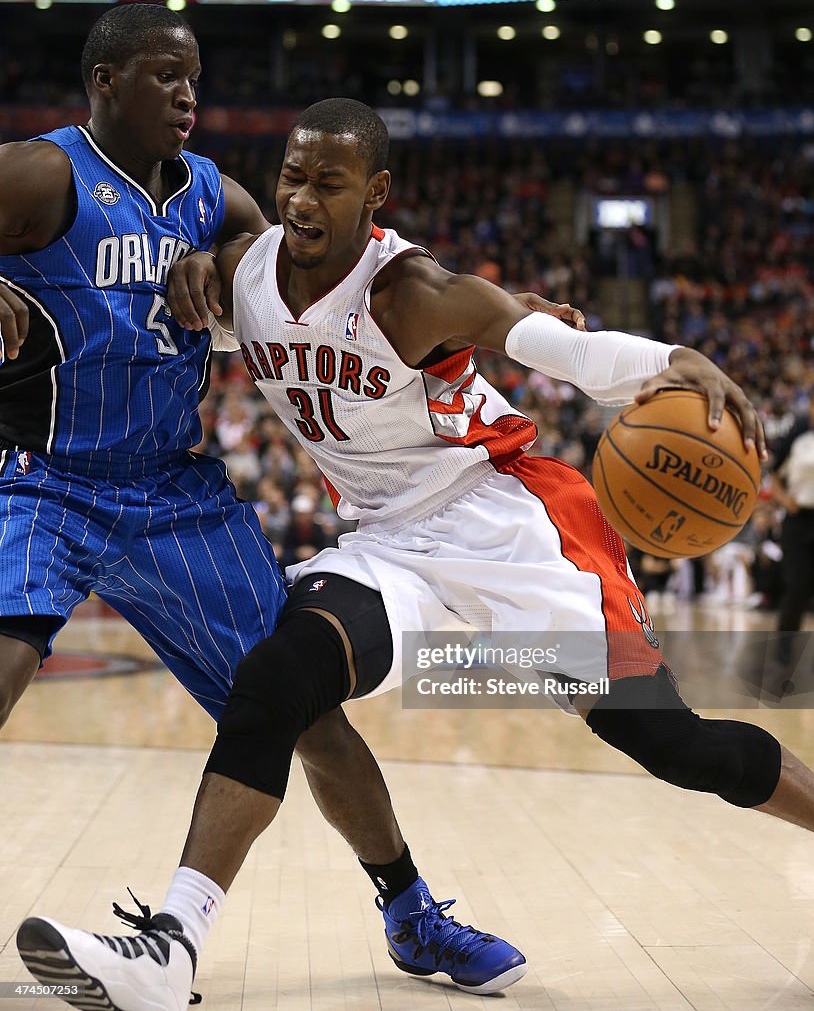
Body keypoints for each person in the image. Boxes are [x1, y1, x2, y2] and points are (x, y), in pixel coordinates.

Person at [21, 97, 811, 1011]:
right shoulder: (246, 274)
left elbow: (565, 349)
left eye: (330, 181)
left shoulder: (415, 292)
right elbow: (214, 307)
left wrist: (677, 358)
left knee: (675, 746)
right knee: (278, 678)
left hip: (509, 534)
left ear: (376, 193)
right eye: (291, 177)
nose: (304, 198)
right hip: (391, 546)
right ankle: (172, 946)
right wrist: (190, 275)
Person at [2, 20, 554, 1001]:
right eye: (165, 76)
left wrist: (223, 266)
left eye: (195, 78)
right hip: (48, 477)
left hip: (174, 487)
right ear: (104, 80)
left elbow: (274, 270)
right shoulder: (44, 175)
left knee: (298, 699)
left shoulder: (218, 195)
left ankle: (411, 912)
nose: (187, 95)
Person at [770, 391, 814, 681]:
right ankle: (783, 658)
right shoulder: (798, 438)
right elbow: (773, 477)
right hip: (799, 520)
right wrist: (786, 501)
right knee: (797, 588)